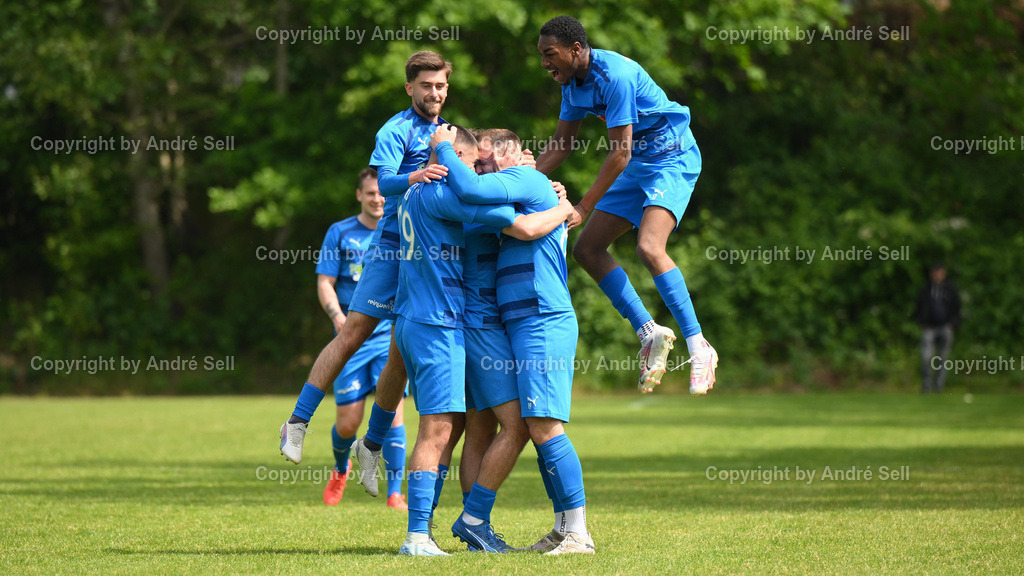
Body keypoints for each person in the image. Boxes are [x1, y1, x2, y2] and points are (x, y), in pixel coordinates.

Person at [279, 51, 451, 487]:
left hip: (429, 255)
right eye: (427, 86)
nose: (435, 93)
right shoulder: (394, 130)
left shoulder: (449, 134)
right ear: (409, 88)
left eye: (441, 86)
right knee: (353, 332)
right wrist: (417, 176)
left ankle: (371, 443)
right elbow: (385, 181)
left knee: (401, 351)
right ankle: (297, 422)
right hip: (393, 248)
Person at [533, 15, 718, 395]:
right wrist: (520, 182)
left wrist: (582, 208)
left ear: (576, 49)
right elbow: (562, 144)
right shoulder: (571, 85)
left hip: (671, 156)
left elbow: (619, 152)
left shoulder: (614, 74)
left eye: (550, 55)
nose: (545, 64)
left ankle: (700, 346)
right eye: (541, 56)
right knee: (587, 248)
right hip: (637, 163)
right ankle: (650, 332)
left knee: (649, 247)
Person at [435, 125, 595, 554]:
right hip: (506, 323)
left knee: (539, 424)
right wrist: (563, 208)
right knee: (510, 425)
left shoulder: (523, 178)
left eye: (486, 160)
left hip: (538, 318)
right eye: (477, 162)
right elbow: (520, 225)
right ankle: (556, 529)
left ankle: (574, 531)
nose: (480, 168)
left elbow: (488, 197)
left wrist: (561, 204)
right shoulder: (505, 189)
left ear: (511, 153)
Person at [314, 168, 408, 510]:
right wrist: (337, 316)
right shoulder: (340, 232)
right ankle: (341, 468)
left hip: (389, 336)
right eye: (370, 193)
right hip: (353, 339)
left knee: (394, 412)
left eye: (381, 193)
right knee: (349, 423)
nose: (378, 199)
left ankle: (395, 492)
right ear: (359, 195)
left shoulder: (401, 228)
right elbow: (325, 281)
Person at [915, 262, 961, 393]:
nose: (937, 275)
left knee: (943, 358)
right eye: (935, 273)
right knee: (926, 357)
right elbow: (918, 308)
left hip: (945, 327)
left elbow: (957, 308)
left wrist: (952, 324)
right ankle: (926, 385)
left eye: (939, 272)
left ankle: (938, 385)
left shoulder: (950, 289)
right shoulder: (925, 290)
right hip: (929, 328)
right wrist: (922, 323)